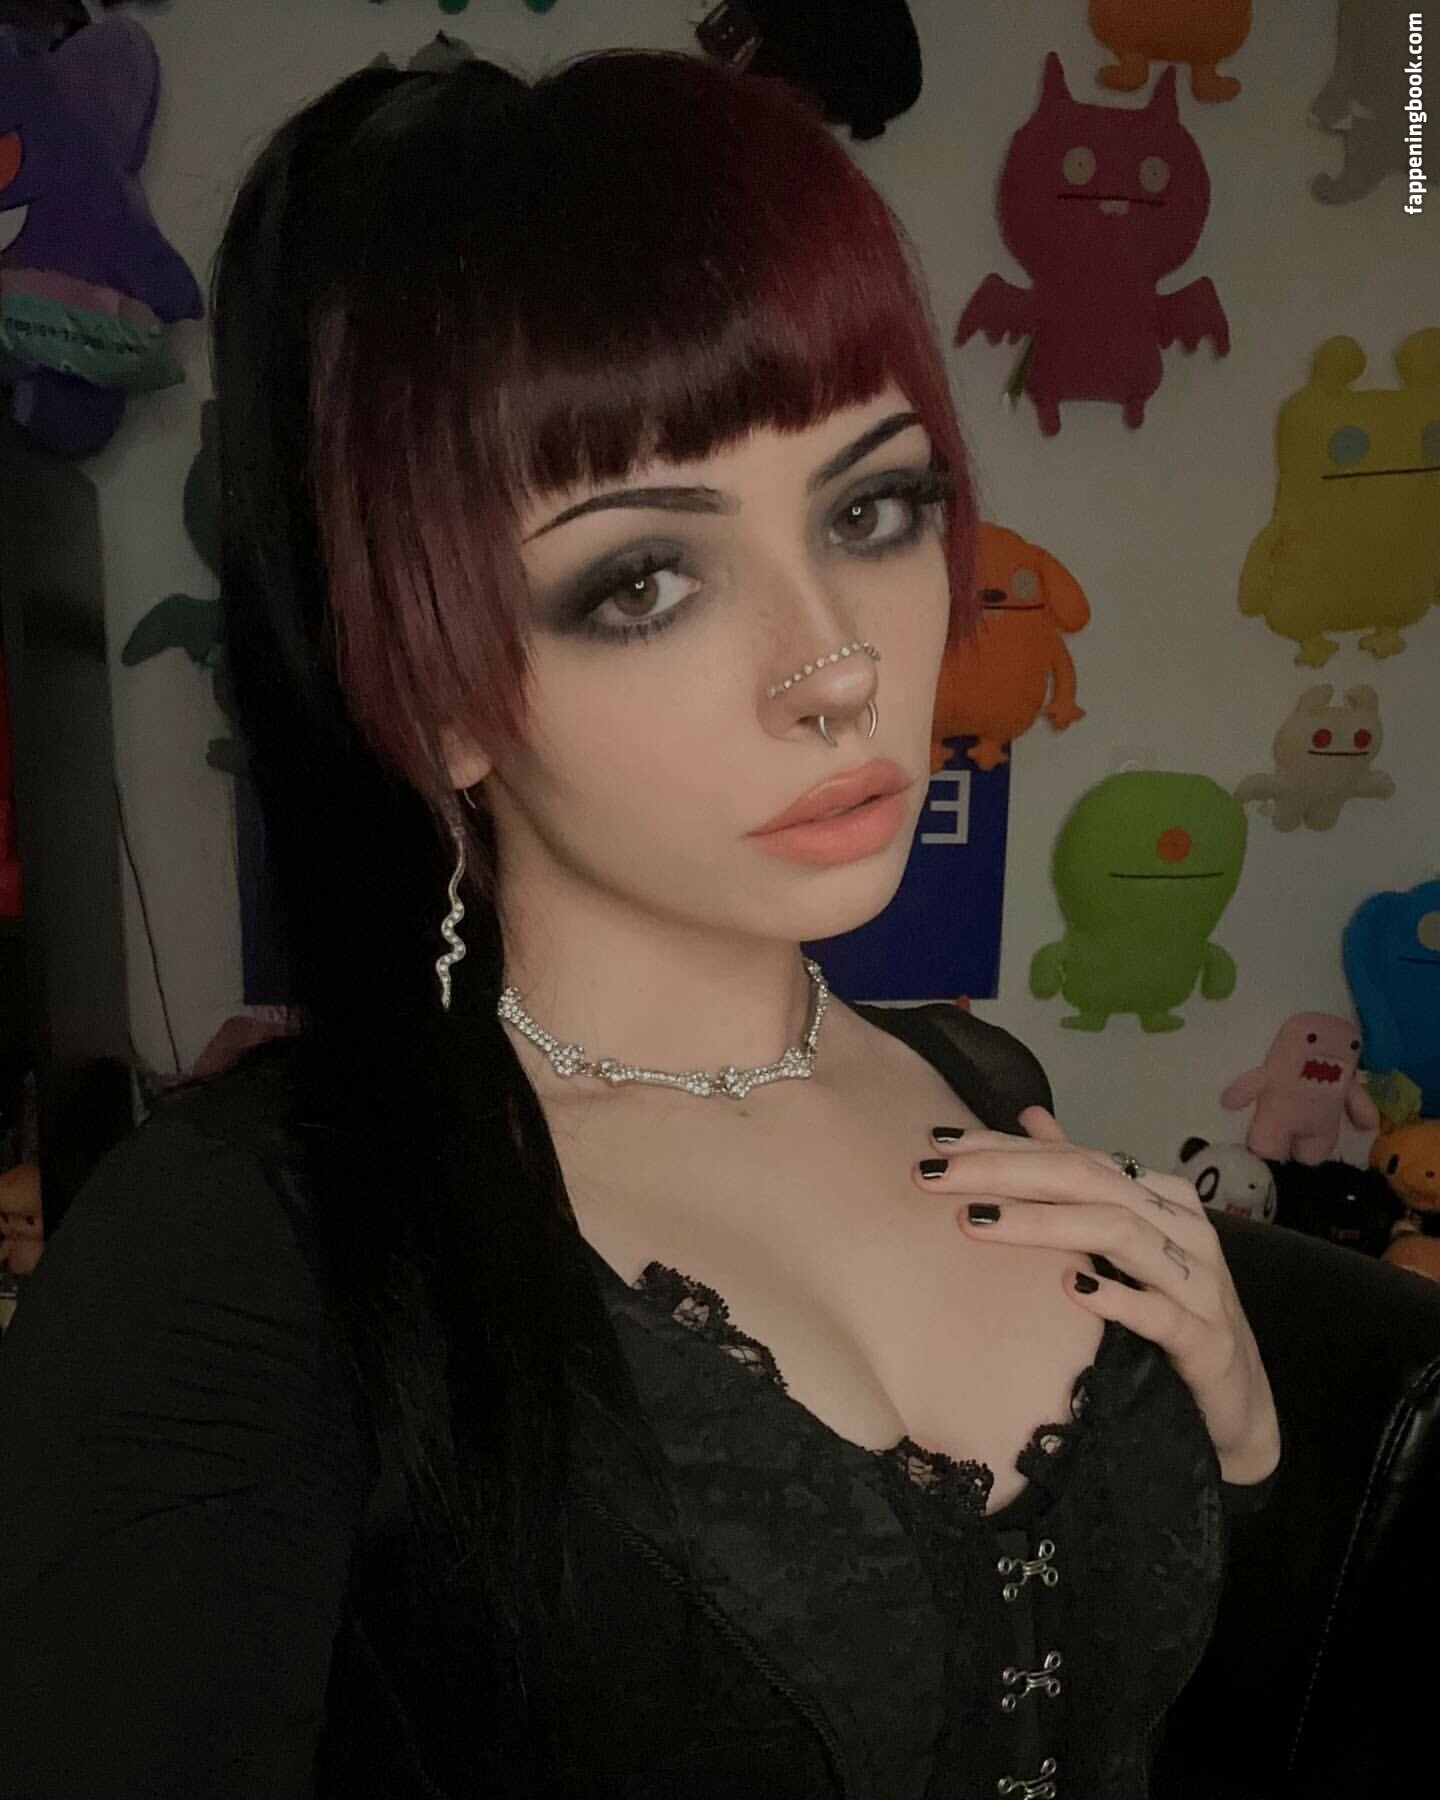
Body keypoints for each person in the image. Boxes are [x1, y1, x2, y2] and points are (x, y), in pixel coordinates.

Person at [0, 48, 1281, 1799]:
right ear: (432, 694)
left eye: (873, 507)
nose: (837, 669)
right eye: (645, 580)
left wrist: (1242, 1444)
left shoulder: (986, 1086)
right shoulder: (253, 1249)